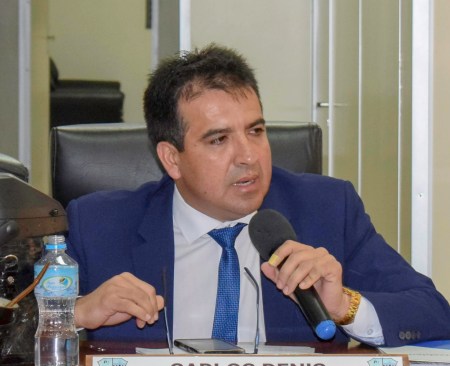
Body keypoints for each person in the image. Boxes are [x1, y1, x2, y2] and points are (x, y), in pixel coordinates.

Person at [67, 44, 450, 347]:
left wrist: (344, 306)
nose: (248, 156)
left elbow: (434, 313)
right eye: (219, 139)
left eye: (255, 131)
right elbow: (28, 324)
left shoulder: (328, 209)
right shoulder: (99, 225)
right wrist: (74, 314)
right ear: (172, 158)